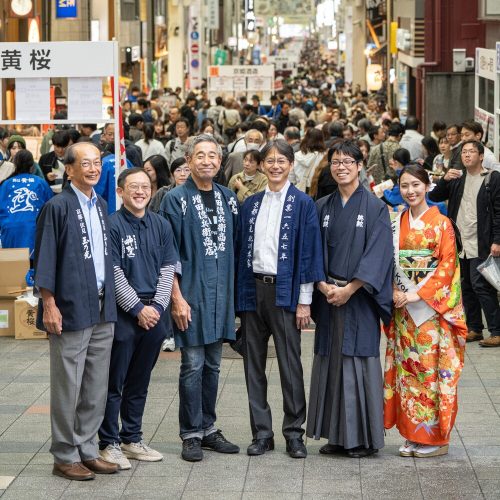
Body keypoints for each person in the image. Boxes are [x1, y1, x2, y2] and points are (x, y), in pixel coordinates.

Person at [34, 142, 118, 480]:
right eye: (86, 163)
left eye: (97, 162)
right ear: (69, 169)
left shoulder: (99, 204)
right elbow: (44, 258)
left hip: (101, 304)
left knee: (96, 383)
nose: (94, 168)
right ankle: (64, 454)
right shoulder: (57, 206)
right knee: (68, 383)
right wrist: (49, 304)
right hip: (69, 307)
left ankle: (86, 447)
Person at [236, 140, 324, 458]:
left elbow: (309, 254)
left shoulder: (303, 204)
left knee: (290, 365)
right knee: (253, 366)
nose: (275, 166)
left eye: (281, 161)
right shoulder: (251, 204)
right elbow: (241, 251)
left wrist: (304, 301)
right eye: (269, 160)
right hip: (252, 289)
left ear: (290, 165)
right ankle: (262, 432)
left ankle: (293, 432)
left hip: (285, 292)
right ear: (261, 165)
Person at [306, 141, 394, 458]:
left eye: (347, 161)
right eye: (335, 161)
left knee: (358, 364)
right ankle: (335, 436)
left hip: (359, 298)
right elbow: (312, 251)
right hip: (329, 296)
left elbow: (379, 255)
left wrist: (351, 288)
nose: (341, 166)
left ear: (360, 166)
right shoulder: (322, 207)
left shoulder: (375, 208)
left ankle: (362, 439)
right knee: (330, 363)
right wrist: (321, 284)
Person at [159, 134, 240, 462]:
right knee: (192, 365)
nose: (207, 160)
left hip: (221, 298)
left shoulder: (228, 198)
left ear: (220, 162)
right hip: (190, 296)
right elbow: (168, 253)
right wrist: (176, 298)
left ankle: (208, 428)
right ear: (188, 161)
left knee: (214, 365)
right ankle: (190, 433)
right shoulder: (175, 199)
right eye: (200, 155)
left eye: (213, 156)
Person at [384, 164, 467, 457]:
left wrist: (417, 293)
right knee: (408, 371)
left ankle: (436, 439)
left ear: (428, 185)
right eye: (405, 186)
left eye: (416, 185)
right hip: (404, 311)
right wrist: (393, 291)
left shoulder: (441, 223)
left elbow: (447, 266)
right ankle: (412, 434)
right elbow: (388, 264)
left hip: (430, 311)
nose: (411, 191)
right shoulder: (396, 221)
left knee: (429, 372)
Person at [98, 168, 177, 470]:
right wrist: (136, 309)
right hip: (123, 315)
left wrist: (156, 306)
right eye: (133, 187)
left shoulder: (161, 224)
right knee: (114, 381)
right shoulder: (112, 226)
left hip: (155, 315)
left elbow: (169, 267)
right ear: (120, 191)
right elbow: (113, 273)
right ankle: (109, 443)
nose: (140, 191)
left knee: (140, 381)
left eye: (145, 186)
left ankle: (132, 438)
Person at [429, 140, 500, 347]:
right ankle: (475, 328)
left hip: (482, 241)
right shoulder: (457, 178)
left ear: (481, 156)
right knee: (466, 285)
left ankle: (496, 330)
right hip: (460, 242)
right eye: (464, 152)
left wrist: (497, 240)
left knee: (481, 286)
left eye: (472, 152)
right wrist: (444, 179)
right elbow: (434, 196)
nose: (467, 155)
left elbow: (498, 212)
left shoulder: (492, 179)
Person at [0, 150, 53, 256]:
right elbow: (51, 207)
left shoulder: (6, 184)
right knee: (35, 266)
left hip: (10, 230)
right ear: (32, 166)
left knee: (13, 267)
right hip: (35, 230)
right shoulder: (40, 182)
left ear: (15, 165)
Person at [289, 128, 326, 193]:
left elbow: (291, 176)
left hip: (300, 189)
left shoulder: (297, 155)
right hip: (317, 190)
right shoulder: (324, 156)